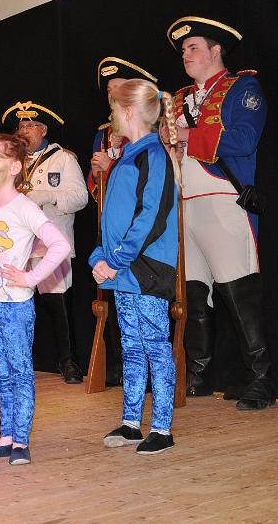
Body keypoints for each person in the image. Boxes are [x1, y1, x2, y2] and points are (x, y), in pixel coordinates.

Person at [166, 16, 272, 410]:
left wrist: (186, 136)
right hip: (183, 204)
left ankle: (261, 379)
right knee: (195, 295)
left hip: (222, 198)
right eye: (183, 50)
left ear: (215, 50)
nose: (185, 55)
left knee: (237, 292)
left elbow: (244, 139)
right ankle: (198, 375)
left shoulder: (242, 87)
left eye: (193, 47)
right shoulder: (178, 99)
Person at [0, 133, 71, 466]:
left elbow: (60, 245)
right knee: (0, 374)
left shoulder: (24, 207)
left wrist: (31, 278)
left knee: (20, 372)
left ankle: (21, 440)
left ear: (15, 167)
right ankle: (5, 437)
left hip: (15, 305)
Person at [89, 79, 180, 455]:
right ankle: (131, 422)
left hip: (146, 267)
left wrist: (115, 260)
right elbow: (112, 215)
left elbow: (151, 217)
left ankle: (162, 427)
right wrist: (99, 256)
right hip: (122, 266)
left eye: (113, 109)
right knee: (130, 343)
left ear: (127, 112)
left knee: (155, 344)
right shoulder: (126, 157)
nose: (111, 116)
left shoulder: (154, 155)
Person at [1, 101, 87, 384]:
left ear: (43, 130)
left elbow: (81, 198)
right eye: (21, 126)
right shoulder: (11, 162)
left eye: (30, 126)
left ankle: (68, 362)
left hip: (51, 243)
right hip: (18, 245)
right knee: (17, 306)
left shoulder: (62, 158)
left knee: (57, 304)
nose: (24, 131)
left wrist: (47, 196)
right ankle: (17, 361)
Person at [89, 58, 160, 386]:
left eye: (118, 88)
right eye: (108, 90)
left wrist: (112, 165)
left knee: (149, 324)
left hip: (141, 245)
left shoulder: (149, 138)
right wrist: (99, 173)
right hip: (115, 233)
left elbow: (148, 201)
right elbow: (97, 190)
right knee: (123, 316)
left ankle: (156, 393)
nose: (111, 95)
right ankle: (122, 370)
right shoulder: (103, 135)